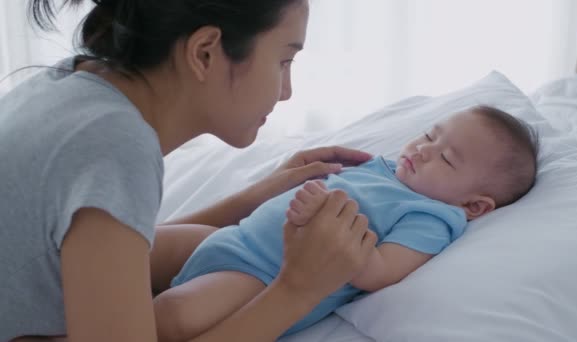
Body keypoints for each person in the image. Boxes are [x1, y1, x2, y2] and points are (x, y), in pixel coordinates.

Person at [0, 1, 380, 341]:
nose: (286, 91)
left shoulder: (69, 84)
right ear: (204, 53)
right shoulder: (115, 146)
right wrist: (298, 289)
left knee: (195, 242)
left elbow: (103, 250)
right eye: (284, 61)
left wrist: (253, 200)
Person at [152, 105, 540, 341]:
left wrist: (331, 224)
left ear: (474, 206)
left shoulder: (432, 216)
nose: (422, 150)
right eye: (428, 135)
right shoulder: (384, 167)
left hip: (260, 276)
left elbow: (381, 272)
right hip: (231, 236)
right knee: (136, 246)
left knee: (171, 317)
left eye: (447, 158)